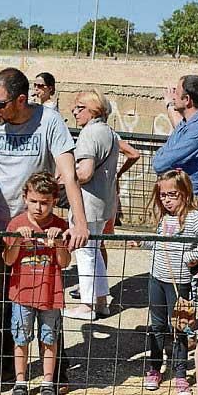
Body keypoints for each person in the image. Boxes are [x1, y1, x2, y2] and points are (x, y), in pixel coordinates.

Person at [0, 67, 90, 392]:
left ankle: (56, 371)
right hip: (0, 229)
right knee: (1, 301)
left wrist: (79, 221)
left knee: (46, 298)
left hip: (39, 229)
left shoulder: (49, 122)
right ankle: (7, 368)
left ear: (21, 100)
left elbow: (69, 173)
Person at [130, 169, 198, 395]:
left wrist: (189, 258)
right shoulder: (163, 218)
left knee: (181, 327)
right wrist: (143, 242)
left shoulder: (193, 218)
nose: (166, 200)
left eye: (172, 195)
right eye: (163, 195)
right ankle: (154, 368)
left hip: (180, 283)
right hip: (157, 279)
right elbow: (160, 245)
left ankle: (180, 373)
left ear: (185, 194)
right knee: (157, 326)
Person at [4, 172, 71, 395]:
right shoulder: (16, 224)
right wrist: (18, 241)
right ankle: (20, 383)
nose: (39, 207)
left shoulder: (61, 226)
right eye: (34, 201)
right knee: (21, 338)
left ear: (54, 200)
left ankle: (47, 383)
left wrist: (60, 243)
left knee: (49, 338)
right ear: (25, 198)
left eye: (45, 202)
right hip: (22, 293)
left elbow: (64, 263)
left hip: (51, 293)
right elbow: (9, 260)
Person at [63, 90, 119, 321]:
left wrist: (65, 175)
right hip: (104, 202)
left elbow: (84, 173)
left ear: (94, 109)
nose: (75, 112)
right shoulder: (110, 133)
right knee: (93, 252)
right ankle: (101, 301)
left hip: (87, 203)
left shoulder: (89, 133)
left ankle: (87, 305)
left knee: (84, 253)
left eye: (80, 107)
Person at [154, 75, 198, 213]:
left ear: (187, 100)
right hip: (175, 203)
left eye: (176, 93)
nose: (173, 97)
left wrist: (162, 155)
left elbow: (160, 163)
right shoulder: (185, 124)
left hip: (188, 207)